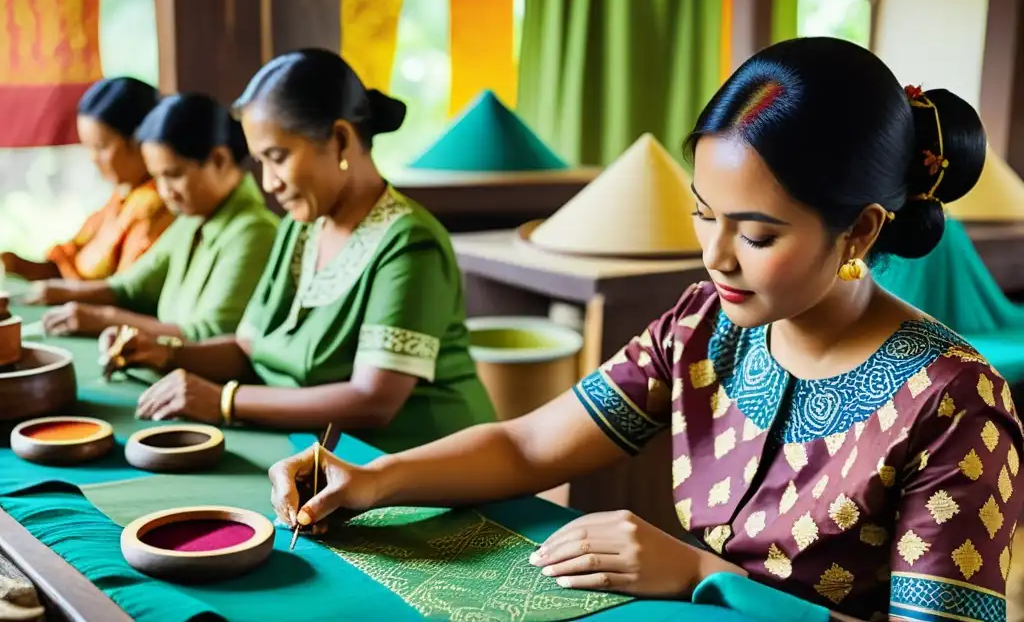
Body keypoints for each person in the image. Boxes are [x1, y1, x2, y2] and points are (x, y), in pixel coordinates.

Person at [267, 38, 1024, 622]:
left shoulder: (955, 405)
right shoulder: (705, 327)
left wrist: (702, 576)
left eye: (757, 236)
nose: (716, 256)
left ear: (859, 230)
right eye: (703, 213)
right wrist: (373, 481)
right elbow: (531, 443)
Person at [104, 49, 496, 453]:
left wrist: (225, 401)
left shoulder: (410, 243)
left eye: (277, 158)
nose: (269, 183)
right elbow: (247, 349)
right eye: (260, 162)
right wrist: (164, 353)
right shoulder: (301, 228)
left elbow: (374, 400)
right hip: (319, 454)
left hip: (425, 465)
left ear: (341, 140)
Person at [27, 93, 279, 341]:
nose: (164, 191)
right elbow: (130, 288)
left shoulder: (255, 232)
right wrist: (59, 292)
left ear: (219, 160)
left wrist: (104, 318)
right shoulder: (191, 220)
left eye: (174, 174)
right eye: (157, 177)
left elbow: (209, 335)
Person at [1, 77, 173, 283]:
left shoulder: (151, 206)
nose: (92, 157)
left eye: (100, 147)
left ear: (139, 142)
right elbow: (70, 262)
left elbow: (123, 293)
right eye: (88, 147)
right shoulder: (121, 198)